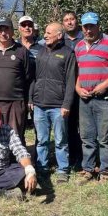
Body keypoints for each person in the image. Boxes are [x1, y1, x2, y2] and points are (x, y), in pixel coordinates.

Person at [74, 12, 108, 184]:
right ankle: (88, 168)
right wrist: (78, 88)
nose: (88, 30)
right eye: (85, 26)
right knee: (86, 136)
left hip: (104, 98)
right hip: (85, 98)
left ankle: (106, 171)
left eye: (92, 26)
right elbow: (79, 71)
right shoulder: (79, 46)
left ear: (98, 26)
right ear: (82, 27)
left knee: (104, 137)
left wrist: (105, 84)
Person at [30, 23, 77, 183]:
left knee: (60, 140)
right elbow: (34, 78)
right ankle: (41, 168)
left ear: (59, 35)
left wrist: (66, 104)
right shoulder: (41, 52)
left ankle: (62, 169)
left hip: (58, 105)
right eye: (45, 32)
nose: (45, 35)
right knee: (42, 140)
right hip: (39, 104)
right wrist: (31, 99)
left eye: (49, 32)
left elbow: (71, 81)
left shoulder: (68, 53)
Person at [0, 17, 34, 148]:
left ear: (13, 31)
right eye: (0, 29)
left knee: (15, 135)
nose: (3, 33)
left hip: (15, 101)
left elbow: (28, 77)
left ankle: (16, 163)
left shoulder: (22, 51)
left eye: (6, 29)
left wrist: (27, 98)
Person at [61, 10, 84, 169]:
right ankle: (71, 157)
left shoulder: (85, 38)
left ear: (77, 21)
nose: (69, 22)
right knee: (68, 125)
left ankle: (85, 158)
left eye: (72, 19)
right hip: (65, 89)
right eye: (66, 20)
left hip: (83, 88)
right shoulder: (60, 40)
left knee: (83, 125)